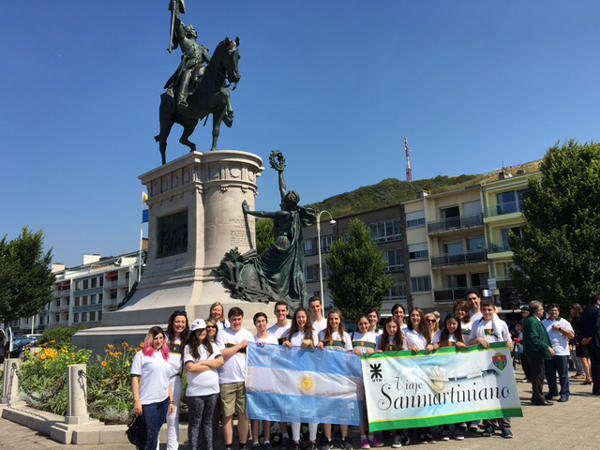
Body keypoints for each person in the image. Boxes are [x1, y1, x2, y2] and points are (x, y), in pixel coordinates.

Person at [469, 299, 514, 438]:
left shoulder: (501, 324)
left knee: (503, 394)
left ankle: (505, 426)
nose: (487, 312)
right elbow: (470, 342)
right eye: (484, 310)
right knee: (487, 394)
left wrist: (509, 344)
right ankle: (489, 425)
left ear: (495, 310)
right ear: (481, 311)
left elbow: (509, 340)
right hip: (483, 363)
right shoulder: (476, 324)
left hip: (501, 363)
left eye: (490, 309)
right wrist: (478, 340)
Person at [131, 326, 175, 450]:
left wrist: (171, 400)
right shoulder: (141, 355)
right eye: (156, 338)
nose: (159, 341)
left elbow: (167, 380)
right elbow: (135, 378)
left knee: (151, 436)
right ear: (150, 339)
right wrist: (137, 400)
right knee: (151, 439)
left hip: (163, 401)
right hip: (148, 402)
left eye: (161, 338)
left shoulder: (165, 355)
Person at [216, 307, 253, 450]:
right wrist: (240, 346)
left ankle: (243, 445)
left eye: (239, 319)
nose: (236, 322)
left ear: (242, 319)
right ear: (229, 320)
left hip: (244, 380)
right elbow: (222, 353)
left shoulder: (248, 335)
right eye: (234, 319)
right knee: (227, 415)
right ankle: (229, 445)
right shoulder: (222, 334)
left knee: (243, 414)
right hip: (227, 380)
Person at [184, 319, 224, 450]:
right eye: (198, 330)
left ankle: (209, 447)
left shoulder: (212, 346)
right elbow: (190, 368)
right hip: (196, 393)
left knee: (208, 422)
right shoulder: (188, 347)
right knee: (195, 423)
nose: (202, 332)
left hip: (212, 391)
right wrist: (210, 364)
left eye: (203, 330)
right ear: (194, 332)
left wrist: (201, 363)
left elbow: (220, 362)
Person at [316, 308, 353, 450]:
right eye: (331, 319)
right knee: (327, 408)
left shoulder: (346, 336)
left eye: (336, 319)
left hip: (341, 376)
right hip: (326, 376)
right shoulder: (322, 334)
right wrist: (318, 345)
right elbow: (317, 355)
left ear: (340, 319)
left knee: (343, 408)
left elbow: (349, 357)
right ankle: (328, 439)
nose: (333, 321)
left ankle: (345, 438)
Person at [283, 308, 319, 450]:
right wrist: (284, 346)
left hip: (309, 375)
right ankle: (296, 441)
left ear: (307, 318)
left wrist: (312, 344)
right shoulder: (290, 334)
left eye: (303, 317)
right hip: (294, 375)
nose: (301, 320)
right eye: (298, 317)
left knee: (311, 408)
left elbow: (319, 355)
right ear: (295, 319)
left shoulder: (313, 334)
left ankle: (312, 441)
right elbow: (286, 356)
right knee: (295, 408)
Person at [164, 7, 211, 109]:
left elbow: (209, 61)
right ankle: (181, 99)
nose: (194, 31)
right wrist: (176, 10)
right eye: (191, 29)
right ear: (187, 32)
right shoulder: (185, 41)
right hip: (189, 67)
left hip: (201, 67)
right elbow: (178, 25)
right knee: (186, 76)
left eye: (194, 30)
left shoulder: (202, 48)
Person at [431, 313, 467, 441]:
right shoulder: (438, 335)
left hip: (458, 374)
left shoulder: (462, 336)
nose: (451, 326)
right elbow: (430, 351)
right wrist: (433, 347)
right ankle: (445, 428)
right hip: (443, 374)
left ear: (458, 325)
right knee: (443, 401)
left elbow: (470, 353)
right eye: (449, 323)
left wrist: (464, 347)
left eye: (454, 323)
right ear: (445, 324)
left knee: (457, 401)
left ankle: (457, 428)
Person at [350, 315, 383, 449]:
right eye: (360, 323)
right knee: (359, 406)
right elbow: (347, 353)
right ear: (357, 324)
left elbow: (381, 352)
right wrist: (353, 352)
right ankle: (363, 436)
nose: (363, 326)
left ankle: (371, 435)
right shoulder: (352, 336)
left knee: (372, 406)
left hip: (372, 375)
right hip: (357, 374)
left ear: (369, 324)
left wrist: (374, 353)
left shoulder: (376, 337)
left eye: (365, 323)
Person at [404, 308, 434, 444]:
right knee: (416, 401)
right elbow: (401, 347)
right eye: (413, 315)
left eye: (417, 315)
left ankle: (427, 431)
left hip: (426, 371)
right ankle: (419, 432)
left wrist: (432, 346)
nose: (415, 317)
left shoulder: (426, 332)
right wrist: (409, 347)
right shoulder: (405, 332)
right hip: (412, 371)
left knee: (427, 401)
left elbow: (434, 345)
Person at [163, 311, 190, 450]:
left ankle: (172, 448)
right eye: (177, 321)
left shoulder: (187, 341)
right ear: (172, 322)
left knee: (172, 417)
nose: (180, 325)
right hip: (159, 380)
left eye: (182, 322)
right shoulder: (163, 337)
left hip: (175, 380)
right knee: (156, 415)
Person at [251, 313, 278, 450]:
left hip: (269, 378)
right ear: (255, 324)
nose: (261, 324)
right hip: (255, 379)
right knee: (255, 412)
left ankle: (267, 440)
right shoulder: (251, 340)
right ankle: (255, 441)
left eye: (263, 321)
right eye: (258, 321)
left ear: (266, 323)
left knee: (267, 412)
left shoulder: (273, 340)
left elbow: (278, 359)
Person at [522, 301, 554, 407]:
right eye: (542, 309)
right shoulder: (532, 321)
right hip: (536, 353)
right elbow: (533, 339)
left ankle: (536, 395)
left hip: (536, 352)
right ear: (537, 310)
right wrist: (547, 347)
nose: (543, 311)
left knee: (538, 375)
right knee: (538, 375)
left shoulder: (533, 320)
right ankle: (539, 398)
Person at [542, 304, 575, 402]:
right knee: (550, 374)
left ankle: (564, 393)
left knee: (563, 374)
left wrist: (560, 329)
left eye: (555, 310)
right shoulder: (544, 322)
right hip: (548, 352)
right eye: (551, 310)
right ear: (548, 312)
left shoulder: (564, 322)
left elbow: (572, 335)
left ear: (558, 312)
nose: (553, 312)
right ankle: (553, 391)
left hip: (561, 352)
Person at [580, 294, 600, 395]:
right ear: (598, 301)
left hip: (590, 342)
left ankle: (595, 388)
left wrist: (585, 337)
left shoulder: (585, 312)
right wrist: (590, 337)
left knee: (594, 364)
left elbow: (581, 326)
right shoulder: (598, 311)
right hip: (596, 340)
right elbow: (597, 326)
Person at [570, 303, 592, 383]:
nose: (570, 311)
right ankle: (590, 375)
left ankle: (588, 377)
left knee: (583, 359)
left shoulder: (576, 318)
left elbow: (575, 330)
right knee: (588, 358)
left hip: (580, 340)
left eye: (571, 309)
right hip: (586, 339)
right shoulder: (584, 317)